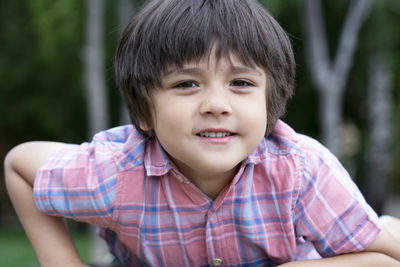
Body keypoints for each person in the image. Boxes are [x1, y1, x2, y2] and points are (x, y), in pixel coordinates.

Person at [4, 0, 400, 266]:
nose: (216, 104)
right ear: (145, 109)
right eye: (186, 84)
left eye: (241, 83)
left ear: (269, 105)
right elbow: (20, 165)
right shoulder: (115, 174)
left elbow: (382, 259)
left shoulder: (299, 171)